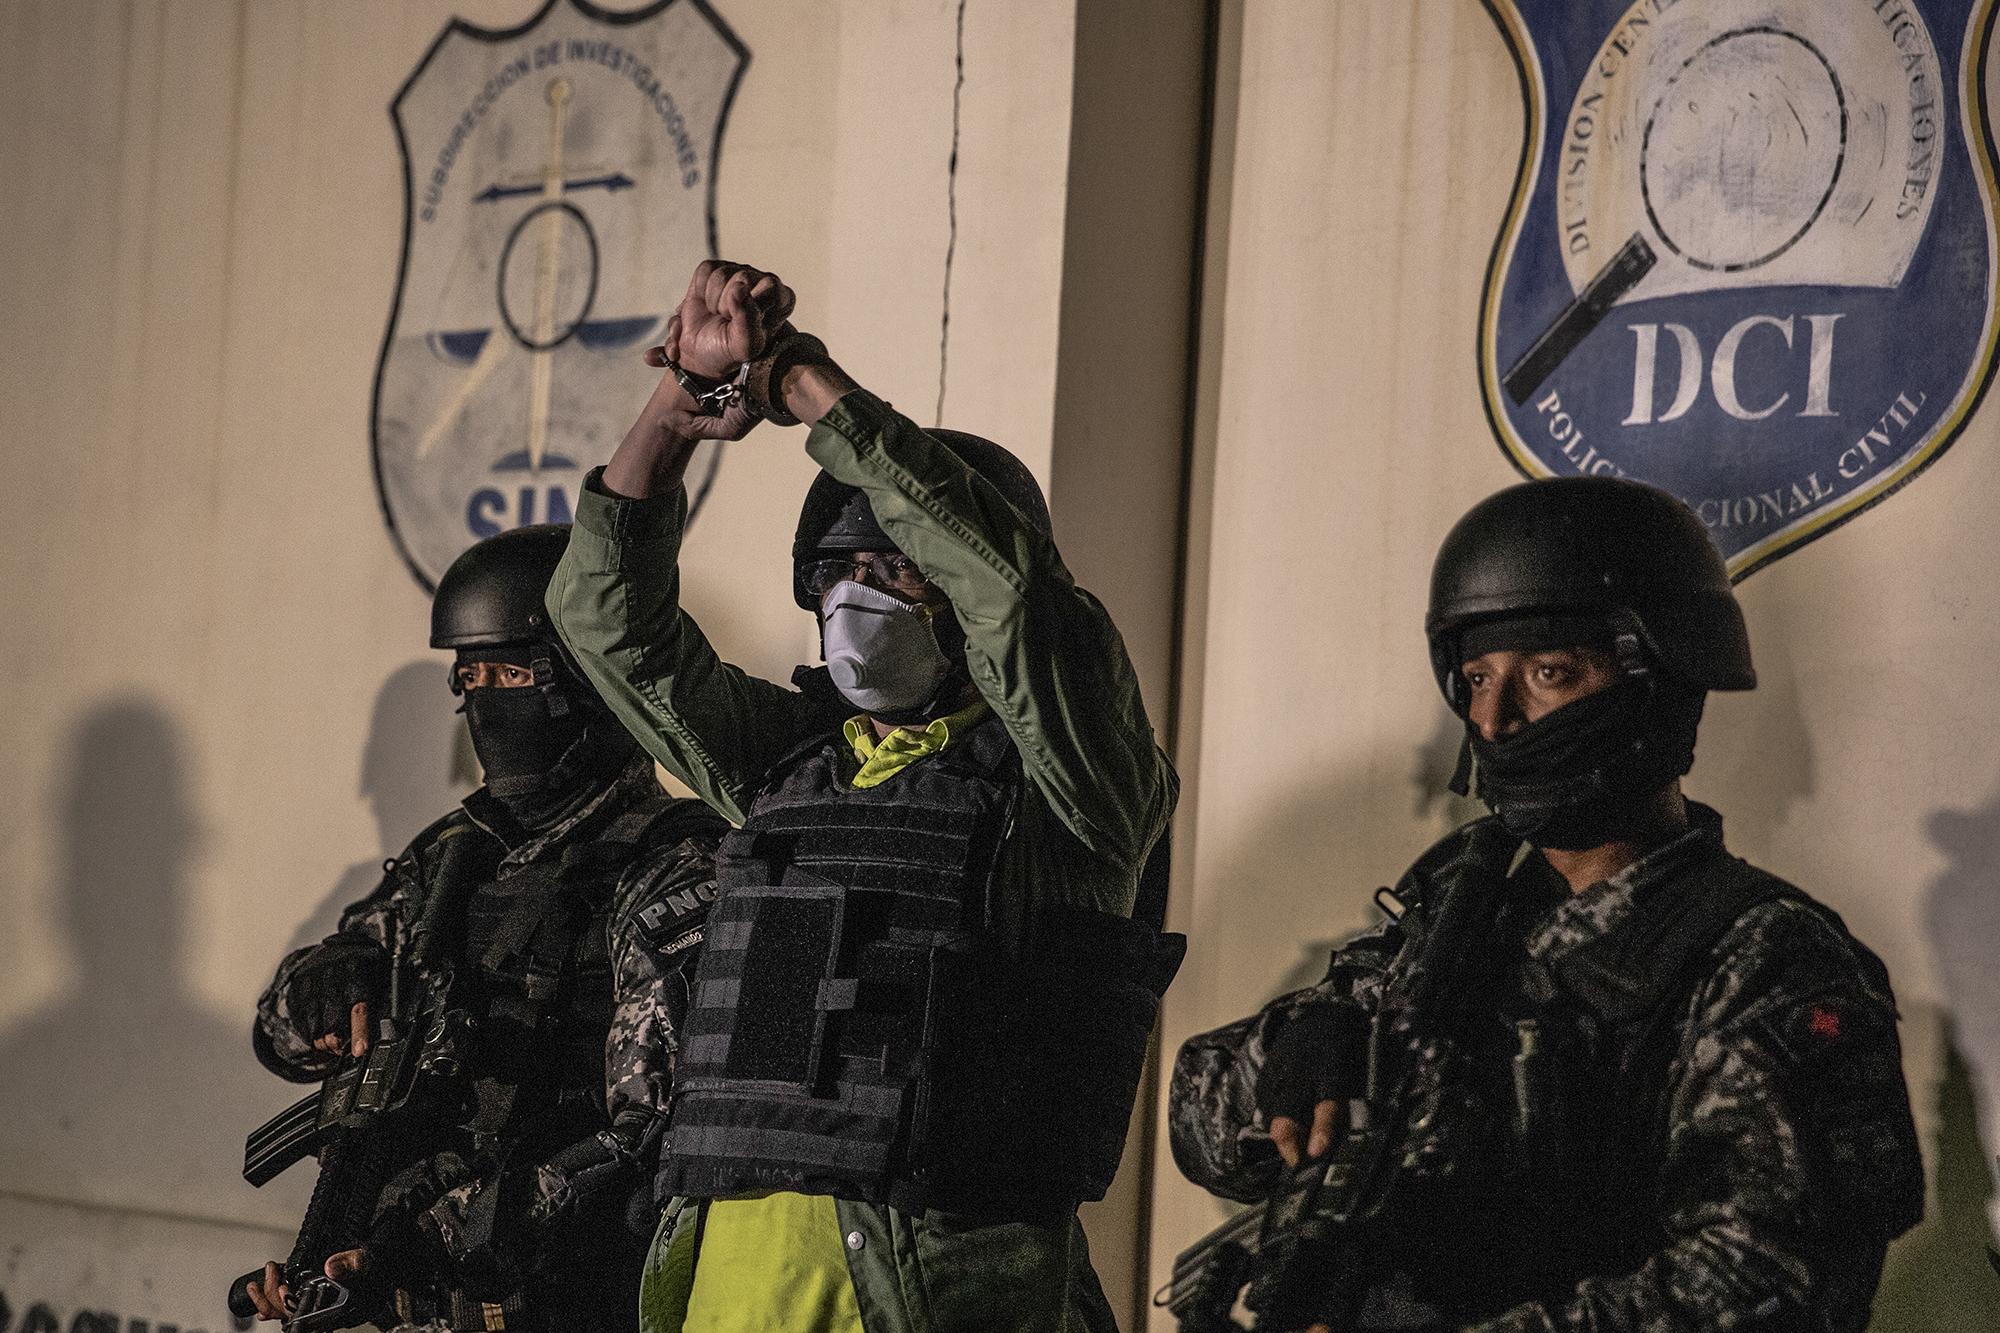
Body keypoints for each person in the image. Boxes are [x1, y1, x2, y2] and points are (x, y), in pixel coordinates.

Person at [544, 260, 1182, 1333]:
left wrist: (797, 383)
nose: (859, 599)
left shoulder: (1076, 786)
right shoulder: (786, 766)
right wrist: (678, 407)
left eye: (897, 571)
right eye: (839, 575)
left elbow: (1018, 603)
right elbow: (612, 629)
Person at [1168, 477, 1925, 1331]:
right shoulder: (1461, 920)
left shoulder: (1766, 959)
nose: (1496, 719)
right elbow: (1203, 1126)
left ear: (1657, 678)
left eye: (1549, 672)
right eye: (1477, 676)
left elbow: (1774, 1280)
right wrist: (1302, 1047)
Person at [243, 524, 727, 1333]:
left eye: (506, 670)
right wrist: (326, 983)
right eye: (466, 675)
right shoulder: (454, 856)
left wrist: (437, 1232)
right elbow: (284, 1036)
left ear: (584, 682)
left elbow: (650, 1134)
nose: (481, 699)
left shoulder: (672, 863)